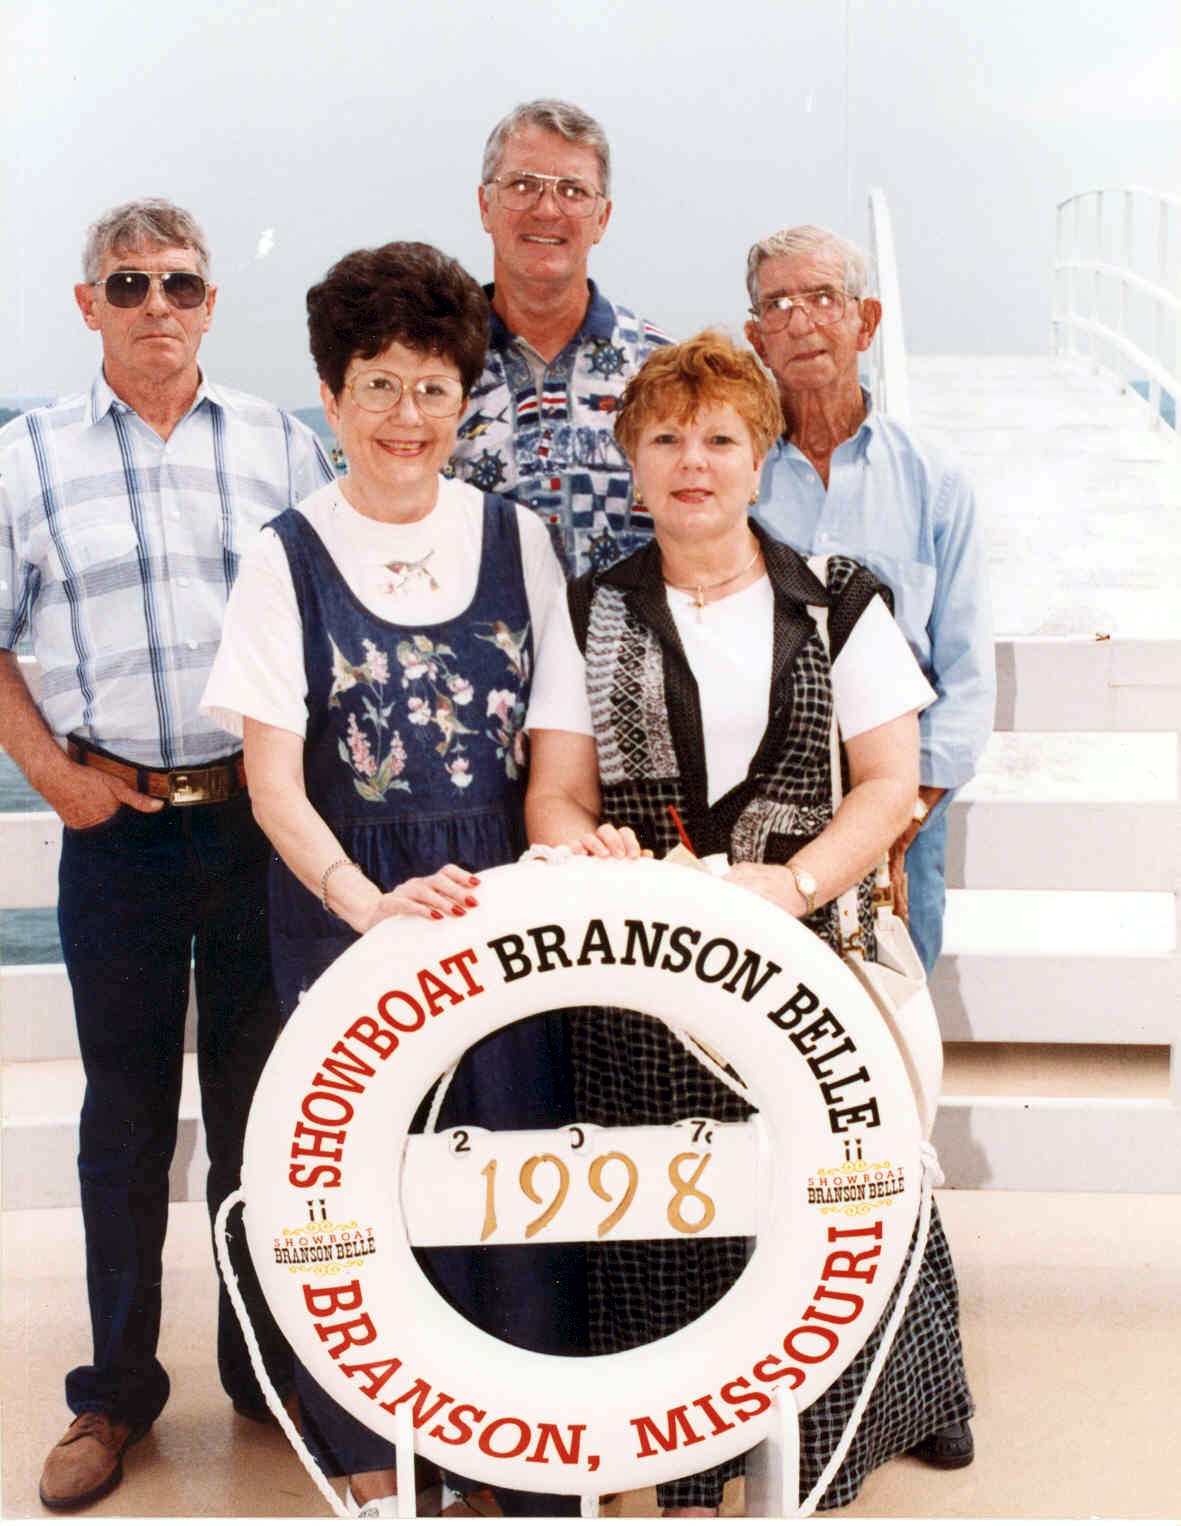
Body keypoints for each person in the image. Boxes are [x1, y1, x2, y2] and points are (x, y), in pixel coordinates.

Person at [525, 332, 975, 1514]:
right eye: (665, 438)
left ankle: (875, 1408)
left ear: (759, 457)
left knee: (831, 1186)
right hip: (644, 973)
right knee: (664, 1187)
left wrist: (796, 883)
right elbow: (554, 794)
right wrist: (588, 847)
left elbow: (888, 781)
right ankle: (684, 1443)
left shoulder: (838, 601)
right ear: (630, 463)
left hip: (807, 962)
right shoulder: (586, 608)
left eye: (720, 438)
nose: (693, 461)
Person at [203, 241, 589, 1518]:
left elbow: (555, 755)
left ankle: (515, 1457)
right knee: (360, 1183)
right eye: (376, 384)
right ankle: (372, 1455)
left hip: (497, 900)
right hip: (347, 905)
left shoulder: (520, 540)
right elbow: (272, 783)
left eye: (432, 386)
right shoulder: (283, 556)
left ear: (465, 400)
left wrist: (538, 871)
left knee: (510, 1164)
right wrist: (364, 906)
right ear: (330, 397)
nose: (405, 415)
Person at [0, 197, 333, 1512]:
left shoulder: (277, 444)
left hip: (254, 827)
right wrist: (53, 777)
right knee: (126, 1120)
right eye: (128, 284)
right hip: (117, 834)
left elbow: (325, 620)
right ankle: (115, 1391)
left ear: (209, 303)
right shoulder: (24, 456)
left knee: (262, 1113)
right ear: (89, 303)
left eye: (179, 283)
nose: (155, 305)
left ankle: (263, 1373)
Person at [745, 225, 995, 974]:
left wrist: (899, 818)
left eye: (823, 297)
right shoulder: (730, 470)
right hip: (757, 799)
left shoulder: (934, 482)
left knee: (894, 1012)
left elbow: (966, 676)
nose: (800, 321)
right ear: (756, 339)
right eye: (776, 305)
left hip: (903, 808)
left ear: (867, 320)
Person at [448, 98, 670, 576]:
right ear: (485, 206)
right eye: (522, 185)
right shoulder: (434, 370)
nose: (547, 209)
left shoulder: (663, 370)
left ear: (602, 218)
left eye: (573, 191)